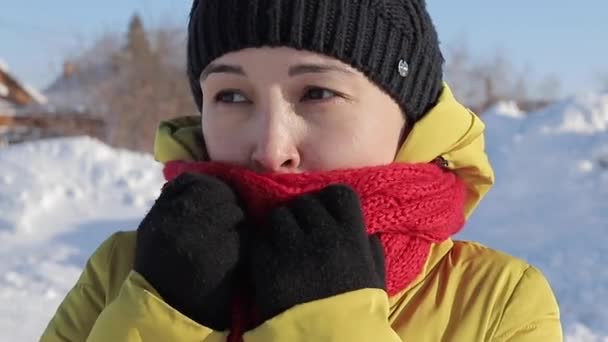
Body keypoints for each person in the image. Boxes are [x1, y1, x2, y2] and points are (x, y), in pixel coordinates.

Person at [41, 0, 563, 341]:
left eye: (317, 93)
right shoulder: (125, 273)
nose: (270, 150)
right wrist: (160, 317)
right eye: (232, 96)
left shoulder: (497, 301)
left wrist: (328, 325)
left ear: (410, 118)